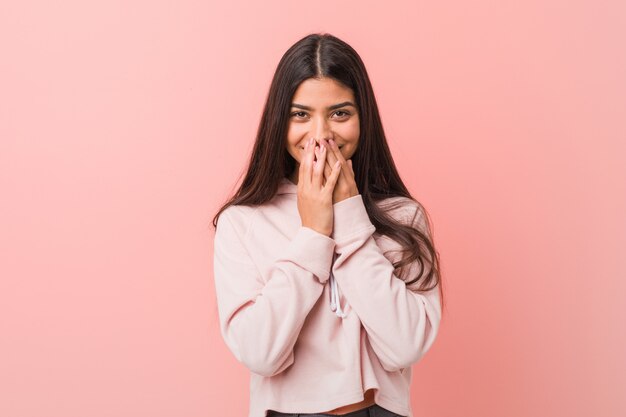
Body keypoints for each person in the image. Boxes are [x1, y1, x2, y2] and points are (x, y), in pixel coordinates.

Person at [211, 32, 444, 417]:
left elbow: (405, 346)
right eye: (300, 115)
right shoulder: (243, 222)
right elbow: (259, 354)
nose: (320, 135)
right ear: (278, 121)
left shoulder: (404, 216)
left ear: (362, 118)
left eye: (340, 113)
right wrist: (313, 234)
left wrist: (351, 219)